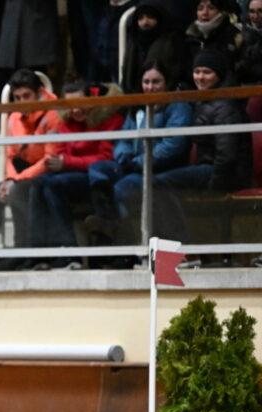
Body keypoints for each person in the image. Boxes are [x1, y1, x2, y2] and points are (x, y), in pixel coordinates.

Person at [84, 61, 194, 248]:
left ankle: (123, 243)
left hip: (156, 169)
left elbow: (171, 146)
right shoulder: (137, 108)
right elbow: (124, 139)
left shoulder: (177, 107)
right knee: (97, 169)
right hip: (131, 165)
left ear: (167, 83)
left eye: (156, 82)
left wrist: (138, 162)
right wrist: (124, 156)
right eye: (146, 82)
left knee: (119, 189)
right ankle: (107, 220)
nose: (150, 87)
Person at [150, 51, 253, 241]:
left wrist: (214, 188)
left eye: (207, 72)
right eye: (196, 71)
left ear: (219, 75)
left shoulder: (225, 107)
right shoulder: (205, 101)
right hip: (209, 169)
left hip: (224, 173)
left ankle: (181, 246)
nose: (200, 77)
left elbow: (227, 155)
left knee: (157, 183)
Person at [25, 81, 125, 269]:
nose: (76, 110)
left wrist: (67, 162)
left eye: (80, 104)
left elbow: (105, 158)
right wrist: (58, 162)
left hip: (98, 178)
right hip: (71, 174)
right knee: (39, 183)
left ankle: (69, 250)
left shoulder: (109, 118)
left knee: (52, 186)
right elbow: (62, 150)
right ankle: (37, 251)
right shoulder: (66, 123)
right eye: (70, 106)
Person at [0, 69, 59, 271]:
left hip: (47, 172)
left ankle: (22, 252)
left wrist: (17, 180)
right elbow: (9, 154)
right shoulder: (13, 118)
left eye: (26, 96)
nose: (22, 102)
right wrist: (10, 178)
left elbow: (49, 158)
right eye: (17, 97)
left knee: (17, 191)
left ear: (39, 92)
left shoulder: (54, 113)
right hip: (21, 172)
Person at [120, 1, 188, 94]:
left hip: (165, 99)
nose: (145, 22)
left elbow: (178, 71)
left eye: (150, 17)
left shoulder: (172, 41)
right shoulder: (134, 42)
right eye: (141, 18)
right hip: (135, 99)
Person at [184, 0, 244, 81]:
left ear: (220, 11)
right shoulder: (190, 38)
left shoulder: (234, 36)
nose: (205, 13)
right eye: (200, 8)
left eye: (211, 8)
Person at [238, 0, 262, 83]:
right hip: (249, 82)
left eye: (260, 11)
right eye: (252, 11)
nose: (256, 16)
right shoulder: (239, 33)